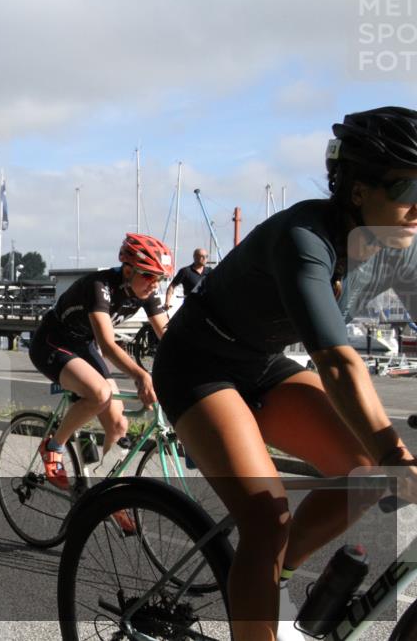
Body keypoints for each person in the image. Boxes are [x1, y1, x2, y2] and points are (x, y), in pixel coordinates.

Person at [152, 106, 417, 641]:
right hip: (197, 365)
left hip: (260, 363)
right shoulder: (304, 238)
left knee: (364, 472)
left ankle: (273, 576)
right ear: (359, 190)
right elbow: (338, 364)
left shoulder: (393, 251)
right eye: (408, 187)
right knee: (266, 517)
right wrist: (398, 454)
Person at [28, 233, 173, 491]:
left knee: (118, 424)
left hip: (83, 345)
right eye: (150, 275)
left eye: (161, 278)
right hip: (53, 341)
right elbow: (107, 345)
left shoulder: (147, 291)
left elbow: (170, 336)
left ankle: (109, 494)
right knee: (100, 393)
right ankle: (53, 446)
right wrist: (141, 375)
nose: (155, 284)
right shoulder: (100, 286)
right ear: (128, 270)